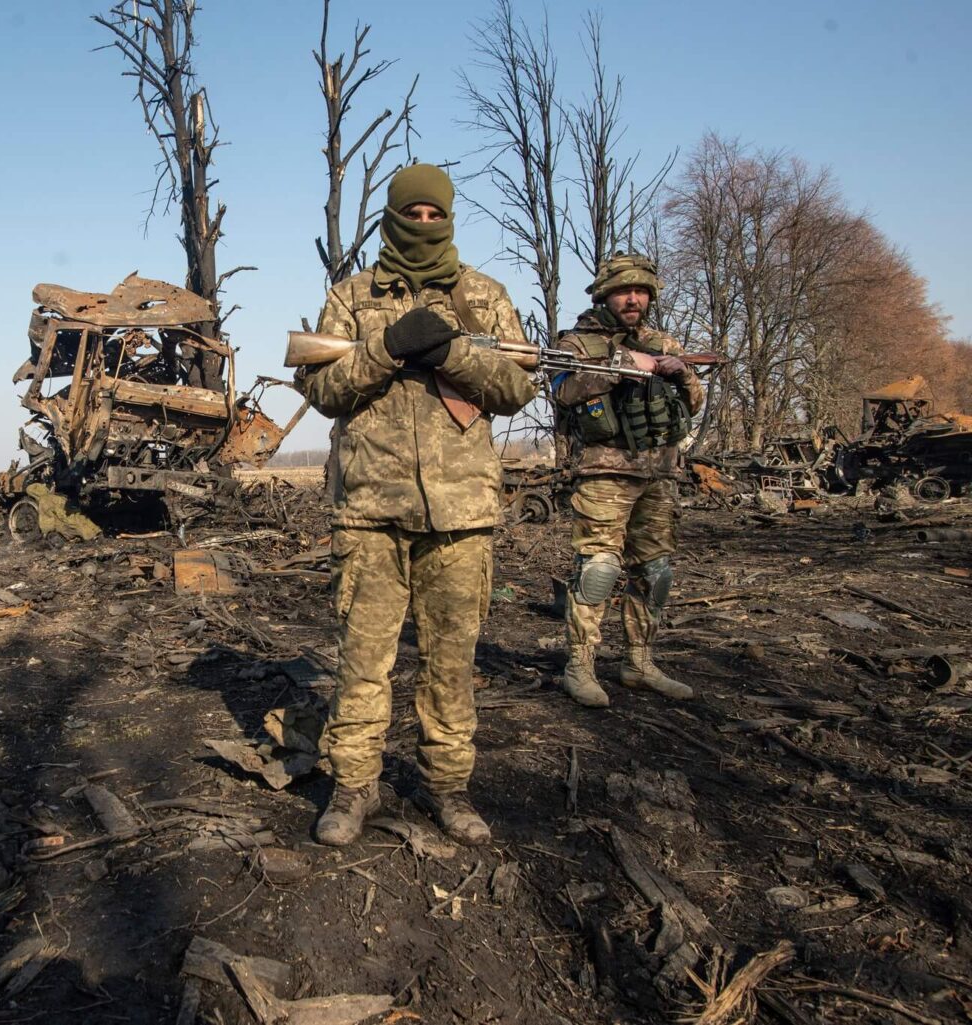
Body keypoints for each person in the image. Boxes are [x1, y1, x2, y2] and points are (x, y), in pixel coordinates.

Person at [294, 163, 534, 847]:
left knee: (450, 664)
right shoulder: (351, 297)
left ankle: (447, 788)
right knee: (363, 660)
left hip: (461, 515)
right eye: (412, 213)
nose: (423, 224)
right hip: (371, 508)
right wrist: (388, 347)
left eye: (435, 214)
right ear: (392, 217)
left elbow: (517, 387)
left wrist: (455, 351)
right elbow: (326, 392)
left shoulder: (485, 297)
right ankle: (354, 786)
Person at [552, 252, 705, 707]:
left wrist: (681, 374)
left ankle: (638, 662)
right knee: (598, 570)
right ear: (606, 294)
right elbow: (562, 391)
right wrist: (623, 366)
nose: (633, 298)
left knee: (656, 573)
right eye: (624, 291)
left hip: (659, 475)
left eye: (641, 291)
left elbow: (693, 402)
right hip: (604, 474)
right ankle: (579, 667)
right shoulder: (576, 343)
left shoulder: (664, 341)